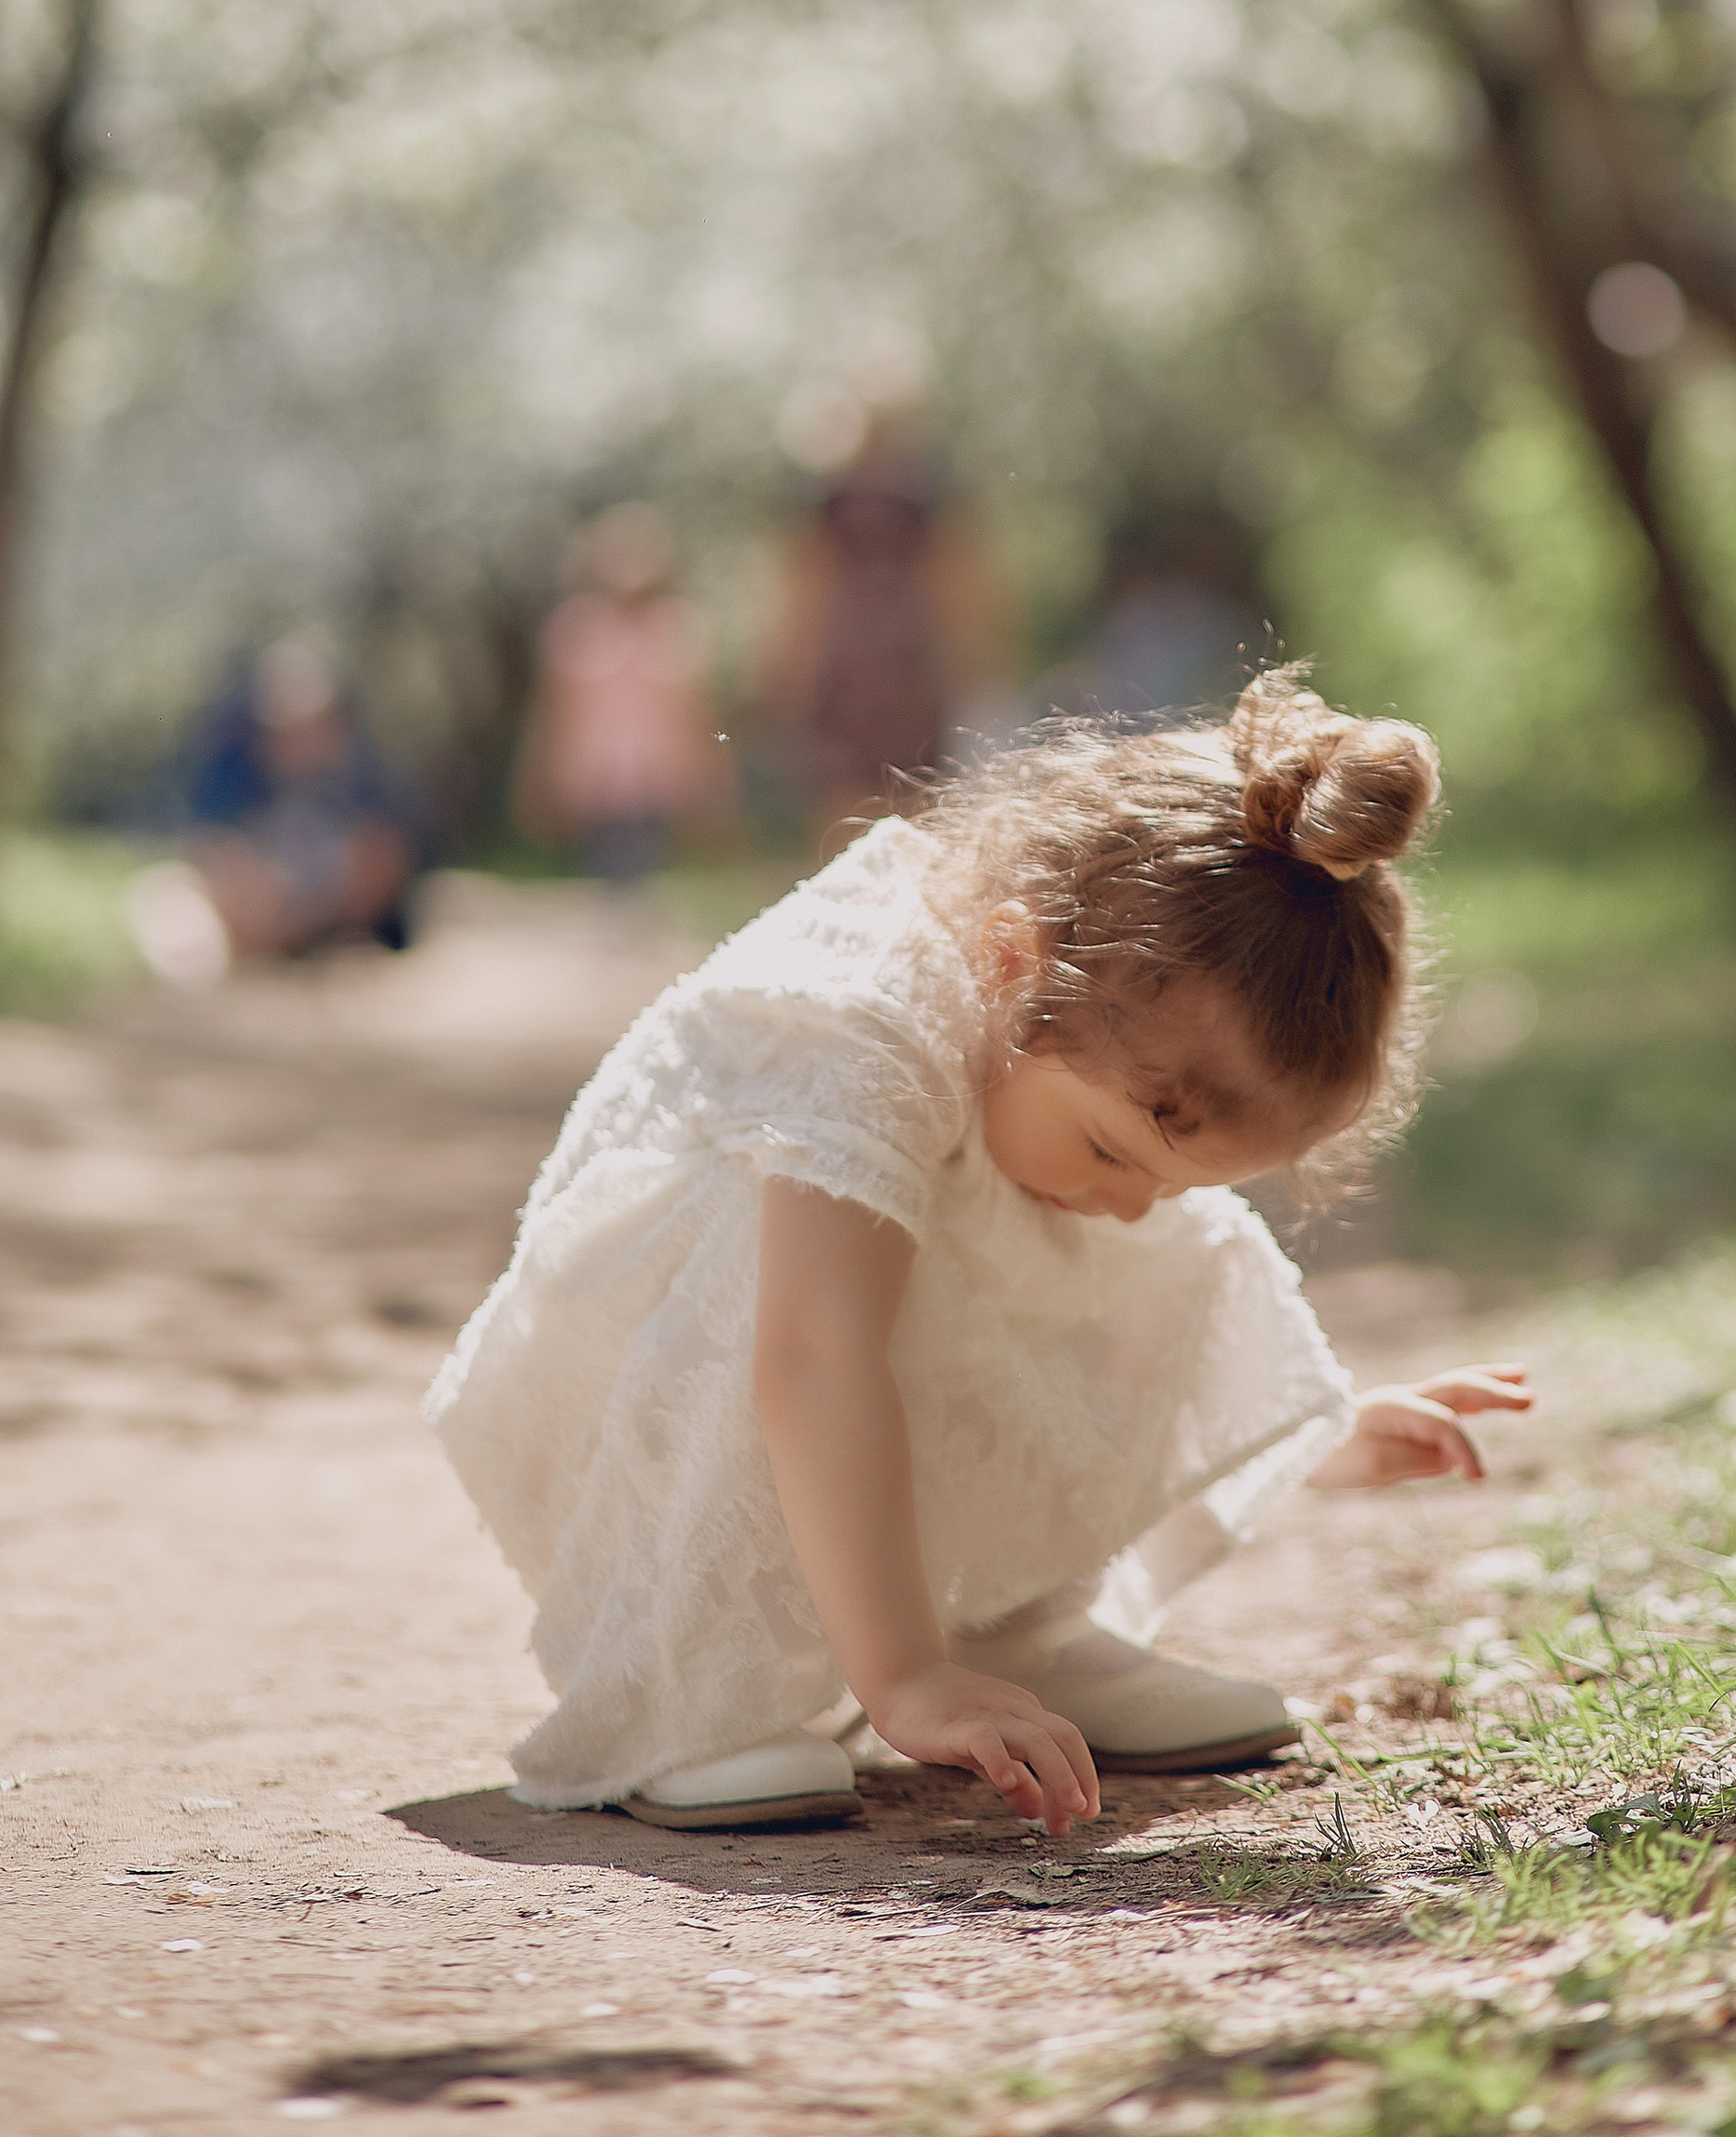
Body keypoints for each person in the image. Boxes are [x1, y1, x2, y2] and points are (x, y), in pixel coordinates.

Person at [428, 668, 1529, 1835]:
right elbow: (811, 1353)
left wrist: (1317, 1428)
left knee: (1131, 1228)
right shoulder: (857, 1019)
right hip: (641, 1379)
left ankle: (1016, 1630)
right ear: (1014, 964)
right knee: (813, 1244)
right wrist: (902, 1679)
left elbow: (1155, 1243)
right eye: (1116, 1150)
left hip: (827, 1332)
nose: (1133, 1205)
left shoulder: (1059, 1062)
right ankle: (690, 1687)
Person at [759, 419, 1014, 843]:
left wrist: (787, 686)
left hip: (895, 683)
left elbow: (956, 590)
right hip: (866, 685)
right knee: (876, 815)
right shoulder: (838, 510)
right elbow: (808, 598)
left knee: (885, 815)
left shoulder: (918, 507)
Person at [127, 636, 422, 986]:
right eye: (282, 728)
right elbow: (206, 846)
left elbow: (385, 870)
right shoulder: (239, 779)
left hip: (331, 922)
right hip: (255, 909)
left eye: (310, 726)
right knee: (164, 889)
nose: (297, 741)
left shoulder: (370, 787)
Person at [511, 509, 734, 883]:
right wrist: (537, 771)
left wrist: (716, 770)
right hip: (597, 775)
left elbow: (701, 711)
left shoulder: (676, 625)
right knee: (614, 862)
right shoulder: (576, 626)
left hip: (659, 774)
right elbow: (552, 708)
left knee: (649, 862)